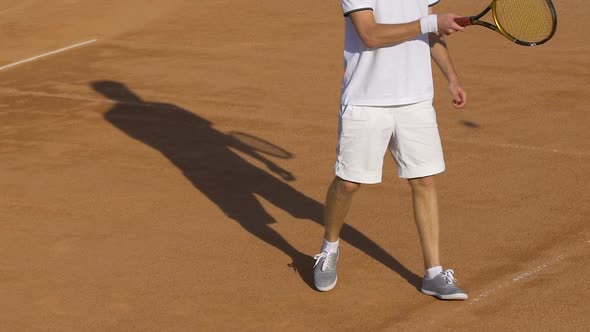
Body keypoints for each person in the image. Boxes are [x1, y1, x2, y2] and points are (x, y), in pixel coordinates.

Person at [313, 0, 469, 300]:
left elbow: (431, 31)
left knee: (424, 181)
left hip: (416, 100)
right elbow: (369, 34)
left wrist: (452, 77)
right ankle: (329, 248)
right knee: (347, 183)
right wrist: (430, 24)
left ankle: (433, 274)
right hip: (365, 100)